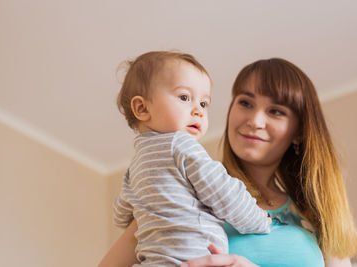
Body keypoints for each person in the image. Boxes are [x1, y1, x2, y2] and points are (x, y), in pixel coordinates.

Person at [99, 57, 357, 267]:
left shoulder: (317, 215)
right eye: (245, 103)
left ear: (299, 132)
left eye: (276, 111)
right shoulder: (175, 190)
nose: (255, 120)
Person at [112, 51, 271, 266]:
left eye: (204, 103)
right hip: (192, 258)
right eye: (185, 97)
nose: (198, 111)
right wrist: (260, 221)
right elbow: (223, 192)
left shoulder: (135, 168)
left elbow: (121, 215)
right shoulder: (182, 145)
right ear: (142, 108)